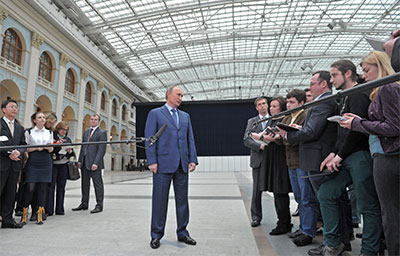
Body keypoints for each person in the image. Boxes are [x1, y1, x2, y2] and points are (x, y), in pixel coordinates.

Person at [317, 60, 382, 256]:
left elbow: (356, 133)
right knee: (326, 193)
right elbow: (342, 132)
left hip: (360, 156)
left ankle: (369, 251)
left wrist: (339, 155)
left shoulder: (360, 94)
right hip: (346, 156)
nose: (331, 79)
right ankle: (333, 242)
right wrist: (333, 153)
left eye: (334, 75)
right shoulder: (344, 97)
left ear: (347, 74)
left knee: (366, 205)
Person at [340, 51, 400, 256]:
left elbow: (393, 127)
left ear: (380, 65)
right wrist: (360, 121)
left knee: (391, 215)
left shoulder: (387, 88)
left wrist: (358, 123)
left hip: (389, 156)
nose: (363, 75)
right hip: (386, 155)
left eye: (366, 70)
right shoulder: (385, 89)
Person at [145, 85, 198, 249]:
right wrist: (152, 161)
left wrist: (192, 159)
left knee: (183, 201)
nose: (180, 98)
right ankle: (156, 235)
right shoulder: (155, 114)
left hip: (182, 165)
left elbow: (190, 138)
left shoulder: (185, 116)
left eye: (182, 95)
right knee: (159, 201)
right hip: (162, 165)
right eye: (178, 94)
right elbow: (150, 139)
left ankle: (183, 233)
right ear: (168, 95)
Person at [251, 97, 292, 236]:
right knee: (276, 192)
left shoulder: (283, 120)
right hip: (271, 158)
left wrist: (261, 137)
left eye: (274, 106)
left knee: (280, 191)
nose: (270, 108)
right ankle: (283, 221)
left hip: (279, 159)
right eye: (271, 106)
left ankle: (284, 223)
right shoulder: (271, 120)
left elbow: (277, 138)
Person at [280, 89, 317, 246]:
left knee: (307, 198)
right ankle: (303, 228)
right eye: (288, 102)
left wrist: (286, 136)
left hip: (302, 162)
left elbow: (297, 139)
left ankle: (308, 231)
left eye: (292, 102)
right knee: (299, 198)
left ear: (302, 103)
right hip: (291, 163)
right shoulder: (288, 117)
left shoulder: (305, 116)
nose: (288, 104)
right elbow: (286, 139)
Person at [20, 111, 53, 225]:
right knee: (30, 187)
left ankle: (39, 215)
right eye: (39, 117)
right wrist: (36, 148)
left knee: (43, 189)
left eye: (44, 117)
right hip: (33, 161)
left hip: (45, 161)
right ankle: (24, 215)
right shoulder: (29, 132)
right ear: (34, 120)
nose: (42, 119)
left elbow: (52, 149)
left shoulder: (49, 132)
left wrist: (47, 147)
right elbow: (26, 148)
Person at [72, 114, 107, 214]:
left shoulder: (102, 133)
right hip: (84, 162)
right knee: (84, 184)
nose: (93, 121)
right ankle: (84, 203)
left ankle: (99, 205)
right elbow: (83, 147)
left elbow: (101, 150)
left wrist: (96, 162)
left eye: (95, 120)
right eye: (92, 119)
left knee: (98, 185)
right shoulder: (86, 132)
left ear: (98, 121)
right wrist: (79, 160)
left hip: (95, 164)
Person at [243, 97, 269, 227]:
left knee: (279, 190)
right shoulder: (252, 121)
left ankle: (283, 220)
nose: (262, 106)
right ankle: (255, 217)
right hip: (258, 160)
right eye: (260, 104)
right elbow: (246, 139)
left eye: (264, 103)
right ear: (256, 107)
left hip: (273, 160)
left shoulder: (275, 119)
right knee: (256, 190)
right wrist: (260, 146)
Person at [0, 99, 26, 228]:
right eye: (11, 107)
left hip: (14, 166)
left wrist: (18, 152)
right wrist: (9, 153)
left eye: (16, 107)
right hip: (2, 164)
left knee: (11, 193)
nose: (15, 109)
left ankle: (7, 220)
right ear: (4, 109)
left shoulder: (20, 128)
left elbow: (23, 144)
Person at [47, 121, 75, 216]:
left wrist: (69, 150)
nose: (64, 132)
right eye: (63, 129)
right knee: (51, 187)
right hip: (54, 164)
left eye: (66, 130)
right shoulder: (52, 136)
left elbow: (72, 153)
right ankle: (49, 210)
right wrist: (59, 147)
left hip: (63, 164)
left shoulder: (67, 139)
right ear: (58, 129)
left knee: (61, 187)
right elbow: (50, 150)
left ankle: (60, 209)